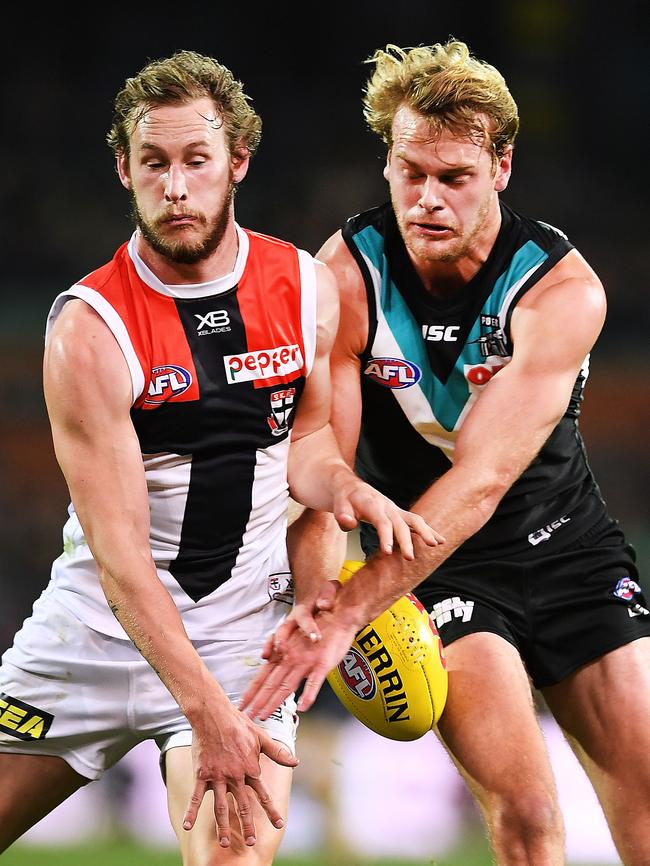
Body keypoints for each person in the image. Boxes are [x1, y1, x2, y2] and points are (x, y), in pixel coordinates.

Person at [0, 50, 441, 864]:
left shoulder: (307, 288)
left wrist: (347, 494)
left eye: (196, 161)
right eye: (154, 163)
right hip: (96, 629)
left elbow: (306, 453)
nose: (175, 187)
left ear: (237, 160)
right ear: (124, 169)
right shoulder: (89, 330)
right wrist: (208, 717)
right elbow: (123, 558)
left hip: (243, 639)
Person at [242, 40, 650, 866]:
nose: (427, 198)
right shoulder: (346, 277)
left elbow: (485, 475)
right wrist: (325, 601)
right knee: (530, 817)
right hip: (435, 571)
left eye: (454, 177)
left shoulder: (560, 290)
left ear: (502, 167)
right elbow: (324, 464)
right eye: (409, 171)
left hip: (567, 547)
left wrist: (350, 612)